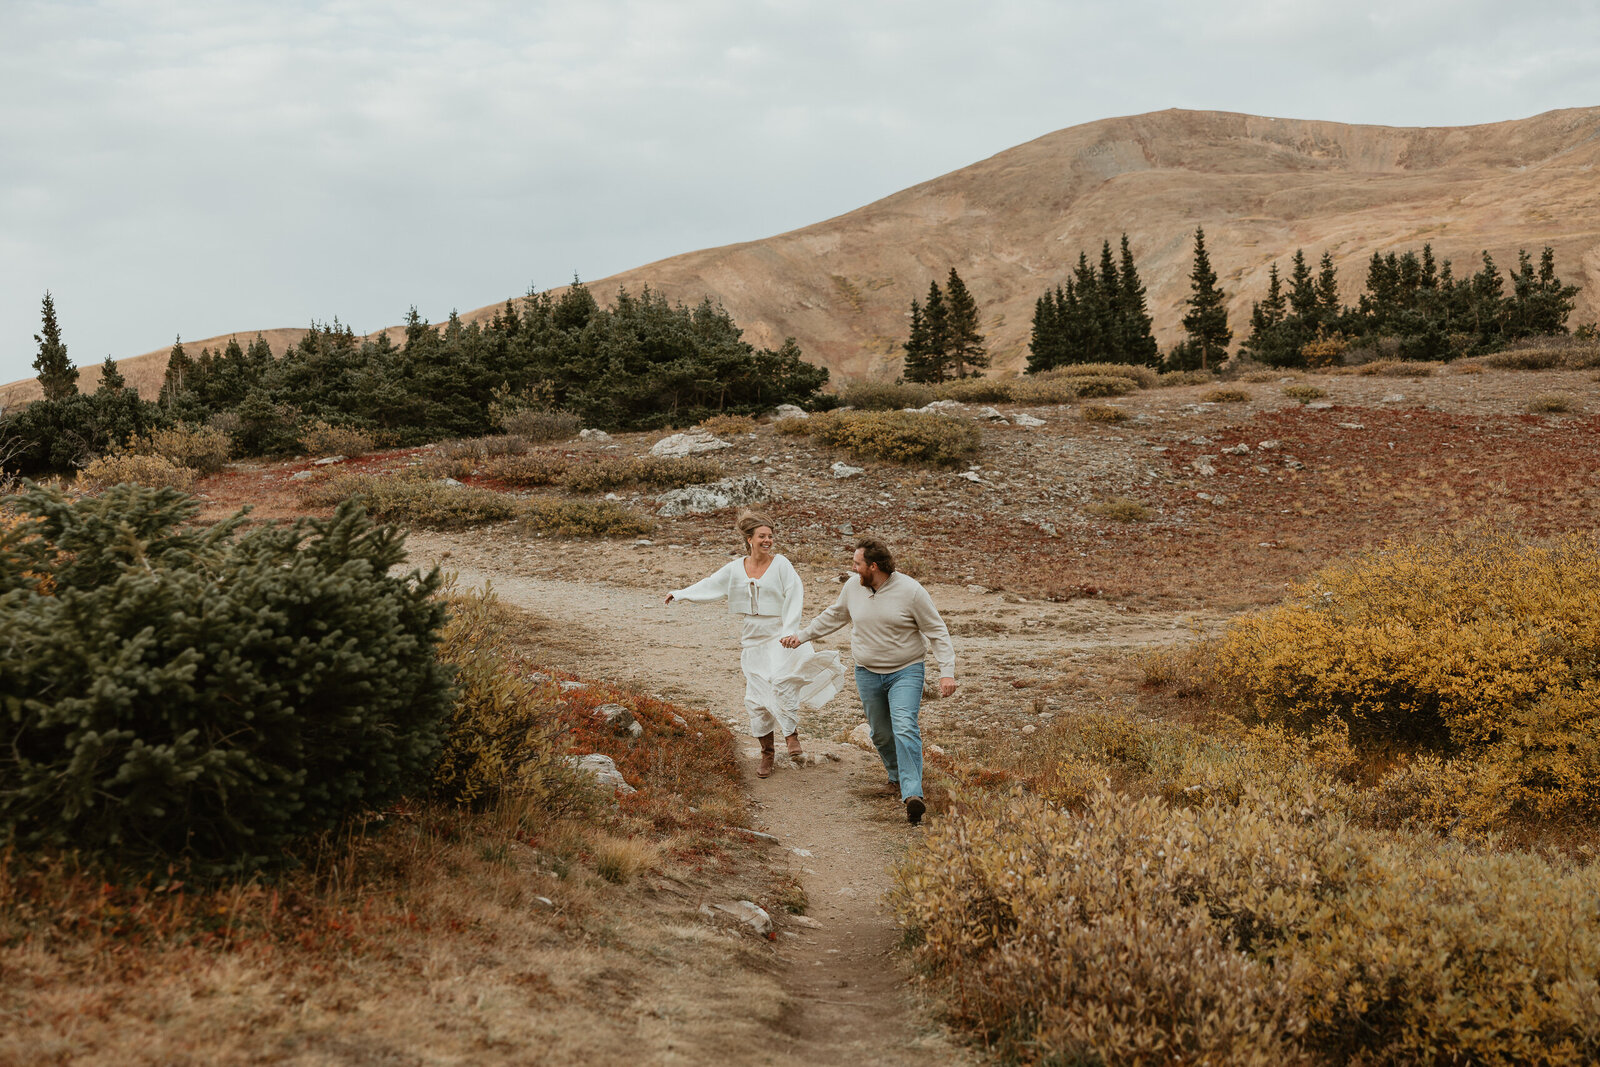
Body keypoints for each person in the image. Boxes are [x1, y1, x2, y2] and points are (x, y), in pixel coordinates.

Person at [783, 537, 955, 825]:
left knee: (904, 727)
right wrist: (802, 636)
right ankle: (896, 777)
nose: (852, 568)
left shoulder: (911, 591)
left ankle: (913, 794)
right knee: (880, 733)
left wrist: (947, 671)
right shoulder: (853, 587)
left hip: (906, 670)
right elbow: (835, 615)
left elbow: (937, 631)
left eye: (857, 563)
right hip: (866, 671)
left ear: (873, 566)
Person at [665, 511, 845, 778]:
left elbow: (795, 594)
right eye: (762, 536)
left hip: (780, 635)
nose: (768, 540)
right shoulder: (736, 568)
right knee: (756, 697)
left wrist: (790, 630)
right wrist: (680, 594)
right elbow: (711, 584)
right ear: (749, 539)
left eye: (770, 536)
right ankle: (767, 753)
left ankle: (791, 736)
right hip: (753, 637)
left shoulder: (782, 564)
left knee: (781, 681)